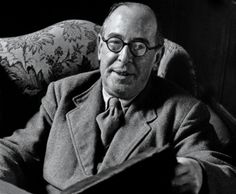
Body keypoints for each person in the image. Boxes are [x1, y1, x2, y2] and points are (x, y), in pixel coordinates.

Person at [0, 2, 236, 194]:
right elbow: (15, 150)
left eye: (139, 46)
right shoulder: (62, 93)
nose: (124, 58)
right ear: (100, 48)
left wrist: (199, 173)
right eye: (115, 43)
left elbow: (225, 175)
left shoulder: (184, 112)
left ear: (157, 57)